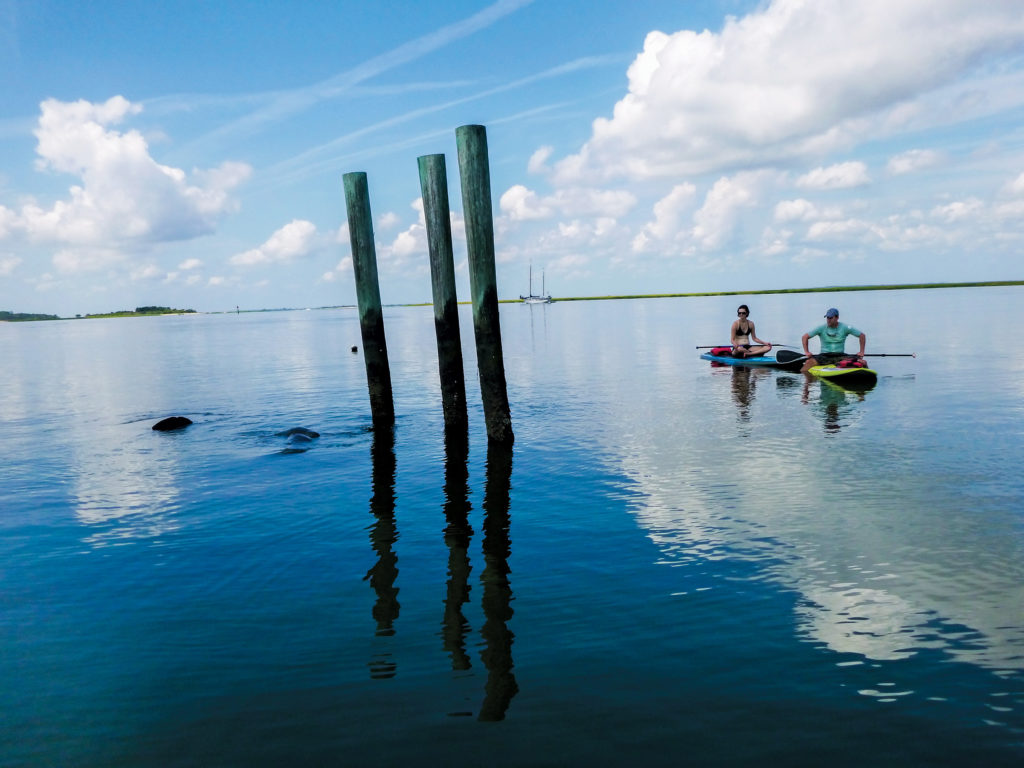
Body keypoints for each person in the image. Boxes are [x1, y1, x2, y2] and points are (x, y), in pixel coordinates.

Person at [801, 307, 866, 373]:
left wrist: (861, 351)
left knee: (863, 362)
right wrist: (807, 352)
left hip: (840, 356)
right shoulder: (821, 328)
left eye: (831, 318)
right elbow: (805, 337)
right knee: (808, 364)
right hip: (824, 356)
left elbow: (862, 336)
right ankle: (807, 382)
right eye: (827, 318)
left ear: (837, 318)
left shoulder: (845, 327)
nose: (828, 320)